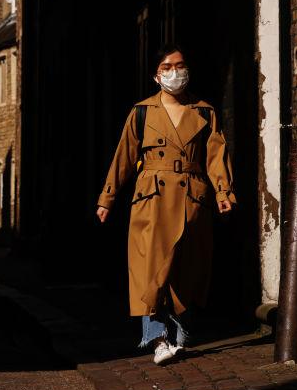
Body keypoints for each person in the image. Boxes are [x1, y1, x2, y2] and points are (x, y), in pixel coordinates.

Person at [95, 44, 236, 365]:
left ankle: (181, 332)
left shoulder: (204, 112)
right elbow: (124, 158)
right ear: (156, 76)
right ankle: (156, 338)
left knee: (186, 268)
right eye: (168, 67)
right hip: (152, 199)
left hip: (191, 198)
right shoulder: (142, 112)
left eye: (181, 65)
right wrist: (108, 198)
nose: (176, 72)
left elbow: (216, 157)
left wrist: (223, 192)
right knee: (149, 270)